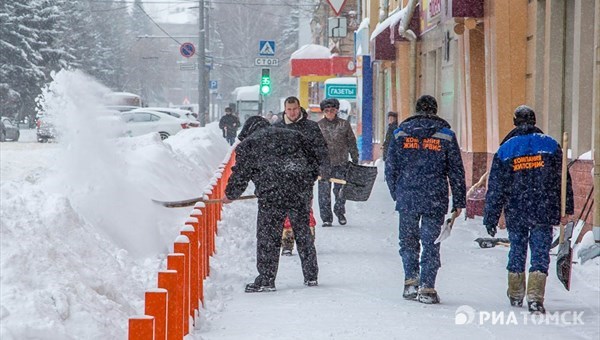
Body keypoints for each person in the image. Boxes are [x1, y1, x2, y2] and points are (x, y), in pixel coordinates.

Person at [483, 105, 574, 314]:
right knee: (540, 251)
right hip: (544, 208)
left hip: (517, 209)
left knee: (517, 249)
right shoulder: (550, 145)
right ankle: (535, 296)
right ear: (534, 121)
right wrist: (566, 208)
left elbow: (496, 187)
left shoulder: (506, 149)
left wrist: (491, 217)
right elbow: (563, 181)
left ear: (515, 122)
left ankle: (515, 293)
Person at [223, 116, 320, 292]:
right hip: (299, 191)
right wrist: (306, 182)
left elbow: (241, 173)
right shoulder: (295, 135)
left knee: (268, 237)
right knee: (303, 232)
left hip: (272, 196)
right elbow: (314, 161)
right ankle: (311, 275)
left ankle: (266, 279)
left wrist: (231, 194)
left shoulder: (249, 144)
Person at [385, 95, 466, 304]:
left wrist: (398, 192)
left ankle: (411, 282)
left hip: (408, 196)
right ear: (435, 111)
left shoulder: (400, 134)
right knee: (431, 242)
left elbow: (390, 167)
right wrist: (458, 201)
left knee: (408, 241)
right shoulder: (446, 136)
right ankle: (427, 287)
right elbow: (456, 170)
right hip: (435, 197)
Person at [274, 96, 330, 255]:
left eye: (295, 109)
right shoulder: (277, 128)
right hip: (282, 176)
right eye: (289, 109)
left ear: (300, 108)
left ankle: (307, 238)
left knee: (304, 208)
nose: (292, 112)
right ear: (285, 110)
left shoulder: (311, 127)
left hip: (304, 177)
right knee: (284, 208)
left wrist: (323, 168)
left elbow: (321, 149)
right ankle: (287, 240)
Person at [317, 98, 359, 227]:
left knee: (340, 191)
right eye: (327, 110)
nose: (330, 112)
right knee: (324, 193)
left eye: (332, 110)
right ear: (324, 111)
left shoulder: (344, 124)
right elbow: (314, 145)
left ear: (336, 110)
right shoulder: (318, 125)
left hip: (341, 162)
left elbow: (351, 142)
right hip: (324, 164)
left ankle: (339, 211)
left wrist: (355, 157)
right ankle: (326, 218)